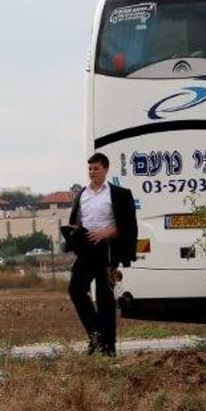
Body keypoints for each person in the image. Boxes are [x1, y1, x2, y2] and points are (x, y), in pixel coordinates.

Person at [65, 152, 138, 355]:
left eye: (96, 168)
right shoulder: (83, 194)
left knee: (105, 297)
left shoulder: (119, 194)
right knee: (75, 289)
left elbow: (128, 225)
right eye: (90, 169)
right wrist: (76, 231)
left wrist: (107, 231)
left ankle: (109, 347)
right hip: (86, 250)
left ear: (105, 170)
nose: (92, 172)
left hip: (106, 250)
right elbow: (76, 220)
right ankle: (96, 334)